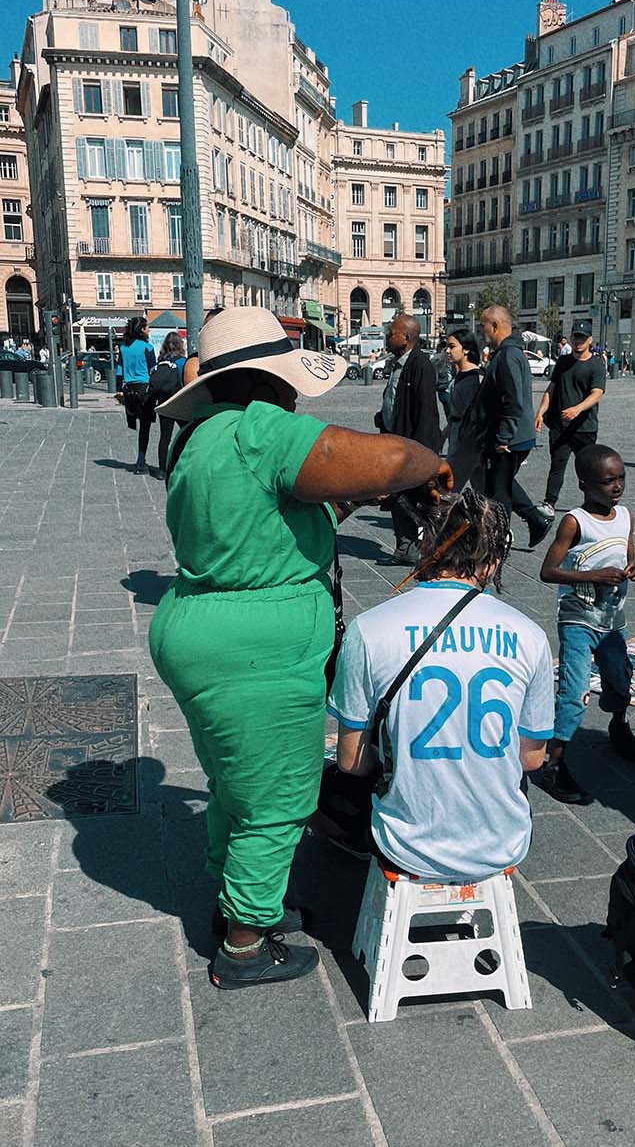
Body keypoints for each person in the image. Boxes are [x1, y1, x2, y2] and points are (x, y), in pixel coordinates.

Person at [149, 307, 452, 991]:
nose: (295, 397)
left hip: (198, 628)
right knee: (278, 799)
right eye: (288, 382)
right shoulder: (263, 429)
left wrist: (357, 498)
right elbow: (393, 455)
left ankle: (237, 904)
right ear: (267, 380)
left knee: (236, 787)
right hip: (255, 649)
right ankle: (245, 947)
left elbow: (283, 511)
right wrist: (432, 464)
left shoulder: (201, 437)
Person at [327, 489, 554, 877]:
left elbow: (352, 762)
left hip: (405, 844)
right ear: (493, 563)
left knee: (326, 786)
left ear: (426, 543)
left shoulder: (370, 630)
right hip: (503, 842)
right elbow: (530, 758)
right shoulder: (530, 635)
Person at [537, 445, 635, 804]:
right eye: (607, 481)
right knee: (574, 692)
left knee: (621, 678)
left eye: (621, 478)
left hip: (613, 620)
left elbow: (629, 554)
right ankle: (554, 762)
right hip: (578, 619)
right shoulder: (575, 521)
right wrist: (593, 575)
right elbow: (548, 571)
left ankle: (618, 724)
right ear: (585, 484)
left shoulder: (625, 515)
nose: (617, 486)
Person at [479, 304, 543, 548]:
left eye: (484, 325)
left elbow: (513, 401)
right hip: (514, 433)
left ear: (495, 326)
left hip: (511, 436)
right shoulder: (509, 353)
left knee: (500, 491)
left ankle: (500, 538)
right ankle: (534, 519)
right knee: (499, 483)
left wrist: (504, 437)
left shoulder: (507, 356)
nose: (482, 331)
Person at [381, 313, 441, 565]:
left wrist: (420, 454)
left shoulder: (420, 365)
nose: (387, 336)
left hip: (410, 446)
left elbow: (426, 412)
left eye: (391, 332)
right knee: (396, 494)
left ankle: (431, 542)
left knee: (410, 498)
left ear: (405, 337)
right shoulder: (398, 363)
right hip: (394, 442)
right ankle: (405, 547)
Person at [533, 319, 606, 522]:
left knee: (586, 467)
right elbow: (551, 389)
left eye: (582, 338)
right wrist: (540, 412)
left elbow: (597, 393)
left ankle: (591, 502)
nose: (578, 341)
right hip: (559, 426)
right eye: (576, 337)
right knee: (557, 465)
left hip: (585, 427)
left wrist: (578, 408)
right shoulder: (563, 362)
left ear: (590, 340)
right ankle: (549, 503)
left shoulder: (596, 364)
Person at [143, 331, 187, 481]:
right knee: (188, 433)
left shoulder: (160, 361)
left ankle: (162, 470)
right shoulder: (183, 362)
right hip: (180, 402)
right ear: (180, 344)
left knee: (164, 437)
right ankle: (186, 464)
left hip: (164, 403)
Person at [115, 316, 157, 474]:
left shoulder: (124, 348)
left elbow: (119, 371)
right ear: (141, 330)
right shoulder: (147, 347)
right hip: (144, 389)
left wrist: (119, 389)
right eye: (147, 327)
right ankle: (141, 460)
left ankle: (141, 459)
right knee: (145, 428)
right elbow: (153, 370)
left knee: (137, 424)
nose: (149, 330)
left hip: (129, 391)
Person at [444, 328, 484, 489]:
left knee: (449, 485)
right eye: (446, 346)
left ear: (466, 349)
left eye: (452, 346)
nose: (447, 351)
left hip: (467, 440)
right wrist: (445, 433)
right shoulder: (459, 375)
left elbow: (473, 414)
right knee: (481, 488)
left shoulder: (475, 378)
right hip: (458, 434)